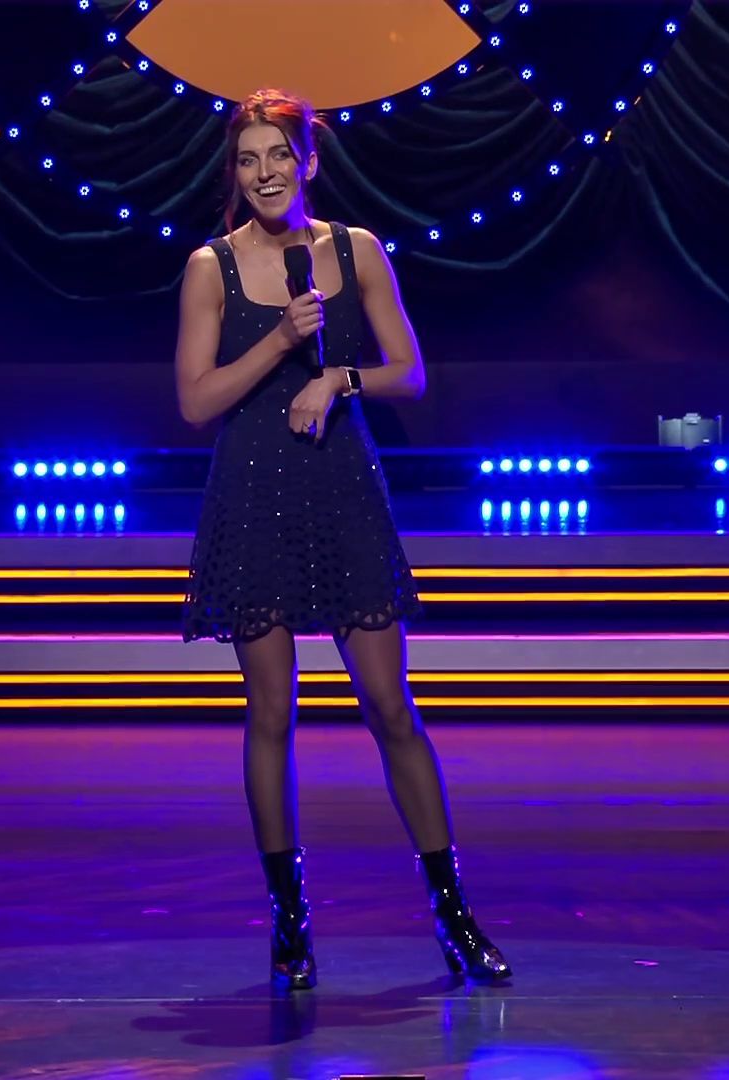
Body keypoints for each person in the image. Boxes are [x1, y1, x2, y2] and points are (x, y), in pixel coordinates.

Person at [175, 88, 511, 990]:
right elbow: (197, 400)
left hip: (343, 489)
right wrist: (280, 343)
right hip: (253, 495)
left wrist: (337, 380)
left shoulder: (356, 250)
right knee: (271, 714)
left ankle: (453, 914)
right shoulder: (211, 266)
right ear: (235, 172)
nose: (265, 173)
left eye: (278, 155)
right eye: (248, 159)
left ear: (309, 161)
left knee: (389, 705)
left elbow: (411, 371)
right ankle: (290, 923)